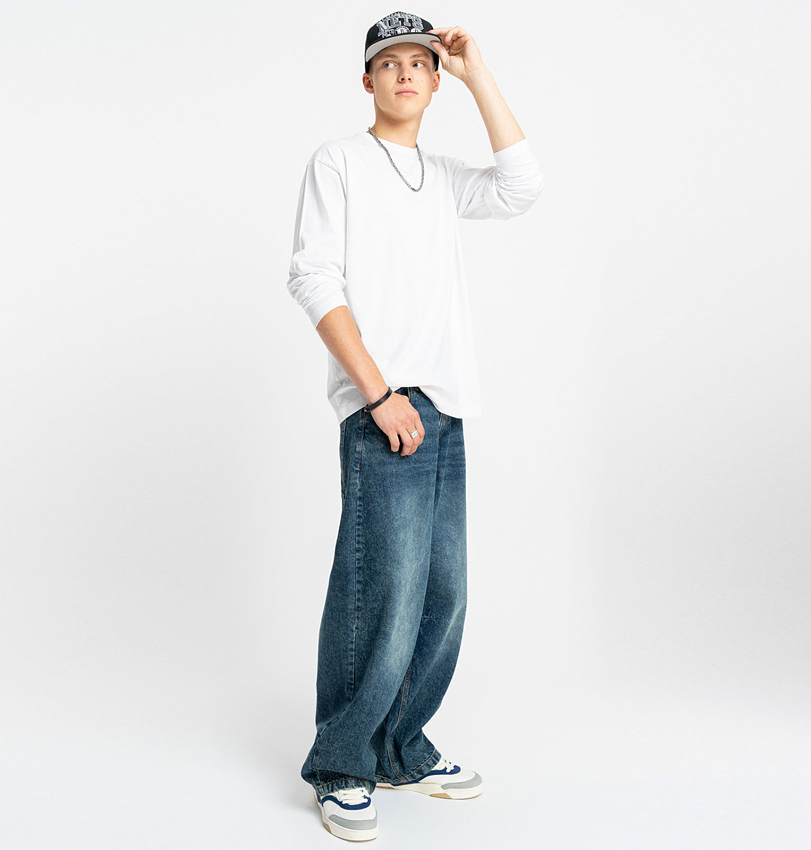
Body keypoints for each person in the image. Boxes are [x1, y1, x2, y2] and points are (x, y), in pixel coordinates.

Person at [286, 11, 543, 841]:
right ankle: (341, 763)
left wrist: (478, 73)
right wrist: (377, 394)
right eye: (389, 62)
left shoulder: (440, 176)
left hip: (447, 405)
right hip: (385, 406)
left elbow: (521, 186)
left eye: (419, 63)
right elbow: (313, 278)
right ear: (367, 80)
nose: (404, 73)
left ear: (435, 81)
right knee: (381, 592)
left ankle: (400, 747)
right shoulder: (339, 162)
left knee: (443, 593)